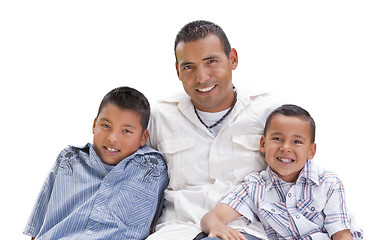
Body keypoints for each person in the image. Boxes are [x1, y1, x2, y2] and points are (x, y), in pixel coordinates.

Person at [146, 20, 283, 240]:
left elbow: (303, 178)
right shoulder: (159, 116)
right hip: (177, 231)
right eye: (189, 66)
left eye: (211, 61)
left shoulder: (270, 112)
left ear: (233, 59)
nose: (201, 78)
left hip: (244, 231)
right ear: (177, 70)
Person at [24, 86, 168, 240]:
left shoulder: (153, 168)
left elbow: (157, 225)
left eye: (126, 131)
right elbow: (37, 228)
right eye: (106, 126)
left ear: (143, 137)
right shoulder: (69, 159)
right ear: (94, 124)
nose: (113, 138)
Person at [200, 104, 363, 240]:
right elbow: (213, 217)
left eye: (297, 141)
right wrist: (216, 226)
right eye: (277, 139)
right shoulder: (255, 186)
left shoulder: (328, 183)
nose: (285, 147)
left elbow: (341, 234)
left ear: (311, 151)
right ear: (263, 144)